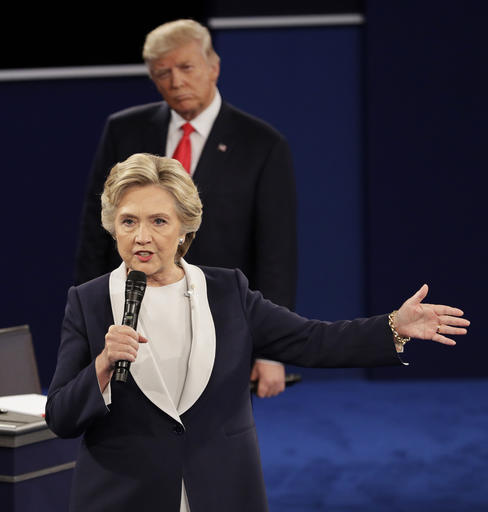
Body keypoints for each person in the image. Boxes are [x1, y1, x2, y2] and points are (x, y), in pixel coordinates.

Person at [46, 153, 469, 512]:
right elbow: (61, 416)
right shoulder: (89, 301)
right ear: (112, 227)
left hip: (222, 491)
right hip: (123, 497)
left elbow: (311, 340)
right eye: (128, 222)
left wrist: (393, 325)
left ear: (184, 230)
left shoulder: (228, 291)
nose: (142, 236)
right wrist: (102, 366)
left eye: (158, 221)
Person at [74, 18, 297, 397]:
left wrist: (271, 349)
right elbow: (97, 233)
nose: (176, 81)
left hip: (221, 322)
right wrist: (87, 325)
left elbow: (276, 252)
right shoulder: (124, 131)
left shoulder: (262, 144)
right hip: (134, 320)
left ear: (214, 66)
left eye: (186, 67)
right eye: (163, 72)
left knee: (215, 442)